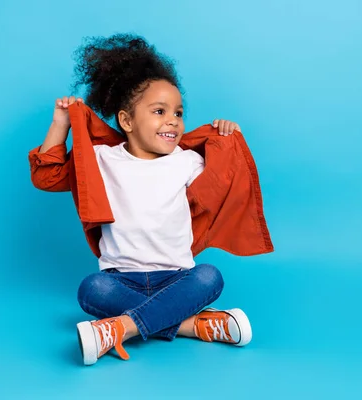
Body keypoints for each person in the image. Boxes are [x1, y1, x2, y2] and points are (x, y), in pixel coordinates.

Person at [28, 34, 273, 366]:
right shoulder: (101, 158)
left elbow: (224, 179)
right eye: (159, 111)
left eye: (178, 112)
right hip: (119, 278)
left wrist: (227, 136)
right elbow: (47, 176)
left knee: (209, 276)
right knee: (91, 289)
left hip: (175, 277)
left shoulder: (188, 161)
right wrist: (61, 123)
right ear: (127, 121)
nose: (172, 120)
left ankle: (122, 327)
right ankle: (191, 325)